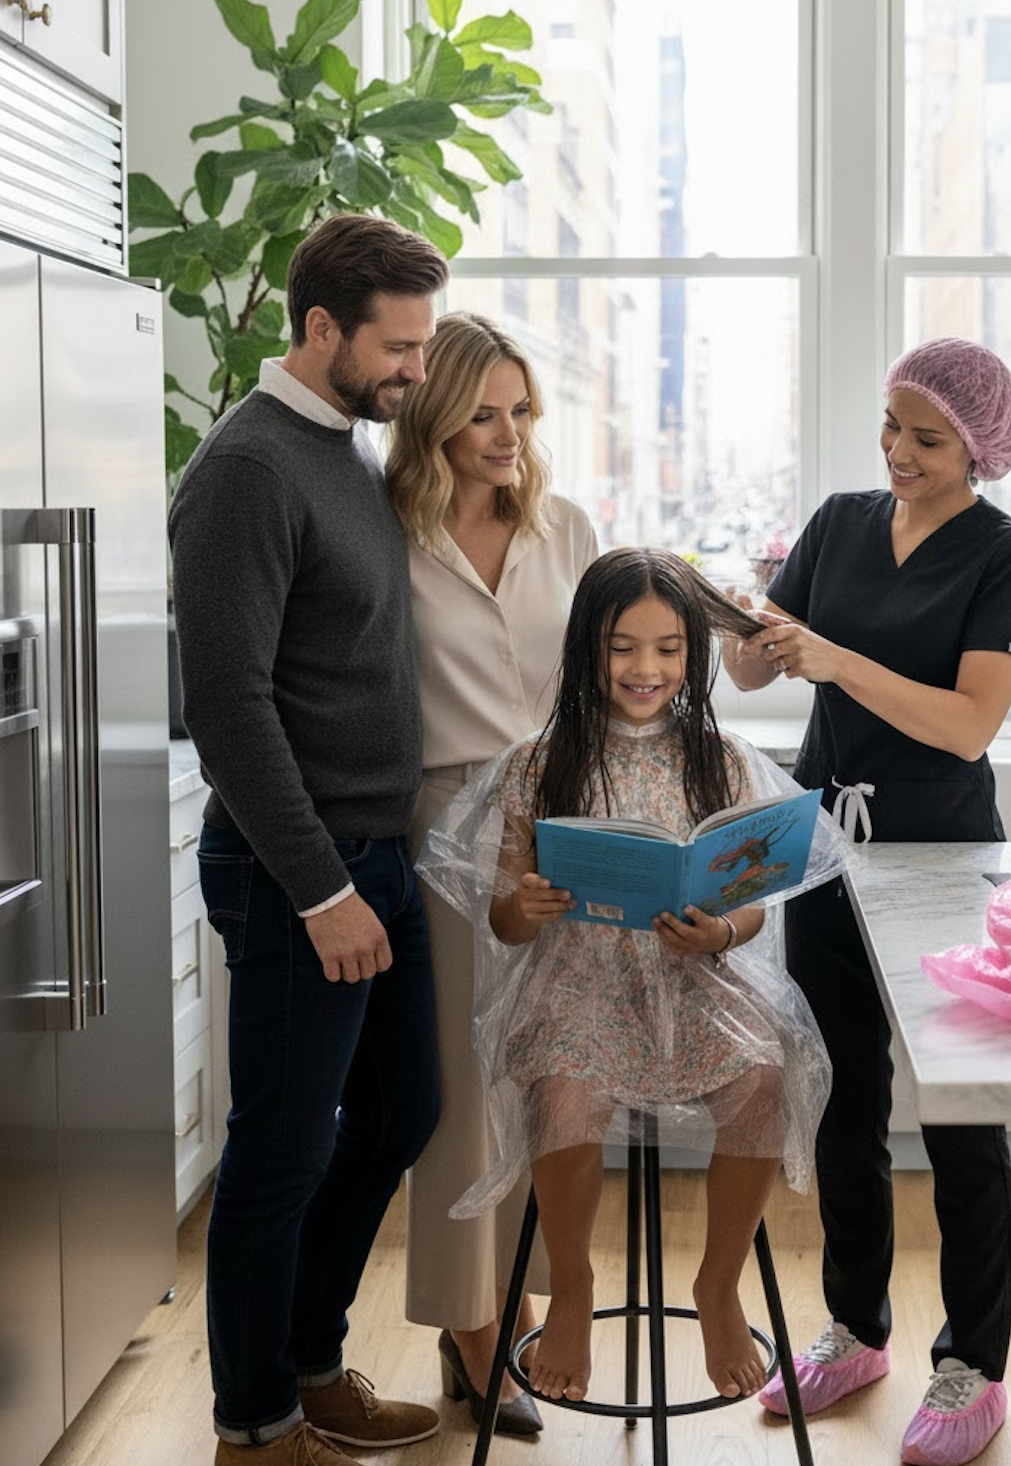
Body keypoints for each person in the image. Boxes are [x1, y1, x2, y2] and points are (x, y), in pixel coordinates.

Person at [416, 547, 845, 1405]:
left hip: (696, 980)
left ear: (692, 653)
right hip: (579, 983)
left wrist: (720, 926)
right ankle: (571, 1289)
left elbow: (755, 901)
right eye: (622, 647)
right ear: (586, 649)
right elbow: (502, 909)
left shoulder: (720, 757)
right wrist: (525, 907)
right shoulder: (538, 763)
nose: (645, 669)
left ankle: (718, 1283)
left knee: (763, 1075)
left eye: (667, 648)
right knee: (566, 1093)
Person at [723, 338, 1011, 1466]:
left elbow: (966, 724)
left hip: (943, 860)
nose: (897, 452)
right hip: (826, 849)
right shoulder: (839, 521)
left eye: (926, 437)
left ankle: (975, 1365)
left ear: (979, 449)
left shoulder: (1010, 555)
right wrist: (742, 632)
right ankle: (857, 1327)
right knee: (840, 1098)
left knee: (960, 1113)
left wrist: (834, 657)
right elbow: (758, 673)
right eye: (891, 426)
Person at [167, 213, 449, 1466]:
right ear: (321, 328)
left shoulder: (342, 447)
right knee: (280, 1150)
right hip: (303, 867)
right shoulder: (247, 469)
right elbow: (228, 707)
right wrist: (322, 886)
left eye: (425, 346)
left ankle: (309, 1361)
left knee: (399, 1112)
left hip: (375, 854)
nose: (415, 374)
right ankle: (254, 1421)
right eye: (398, 347)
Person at [384, 311, 598, 1435]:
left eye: (520, 409)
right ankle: (473, 1335)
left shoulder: (567, 529)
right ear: (433, 414)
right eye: (482, 411)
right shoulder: (387, 532)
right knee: (465, 1100)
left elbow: (621, 667)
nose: (508, 431)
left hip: (562, 820)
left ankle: (515, 1305)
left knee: (546, 1080)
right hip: (446, 828)